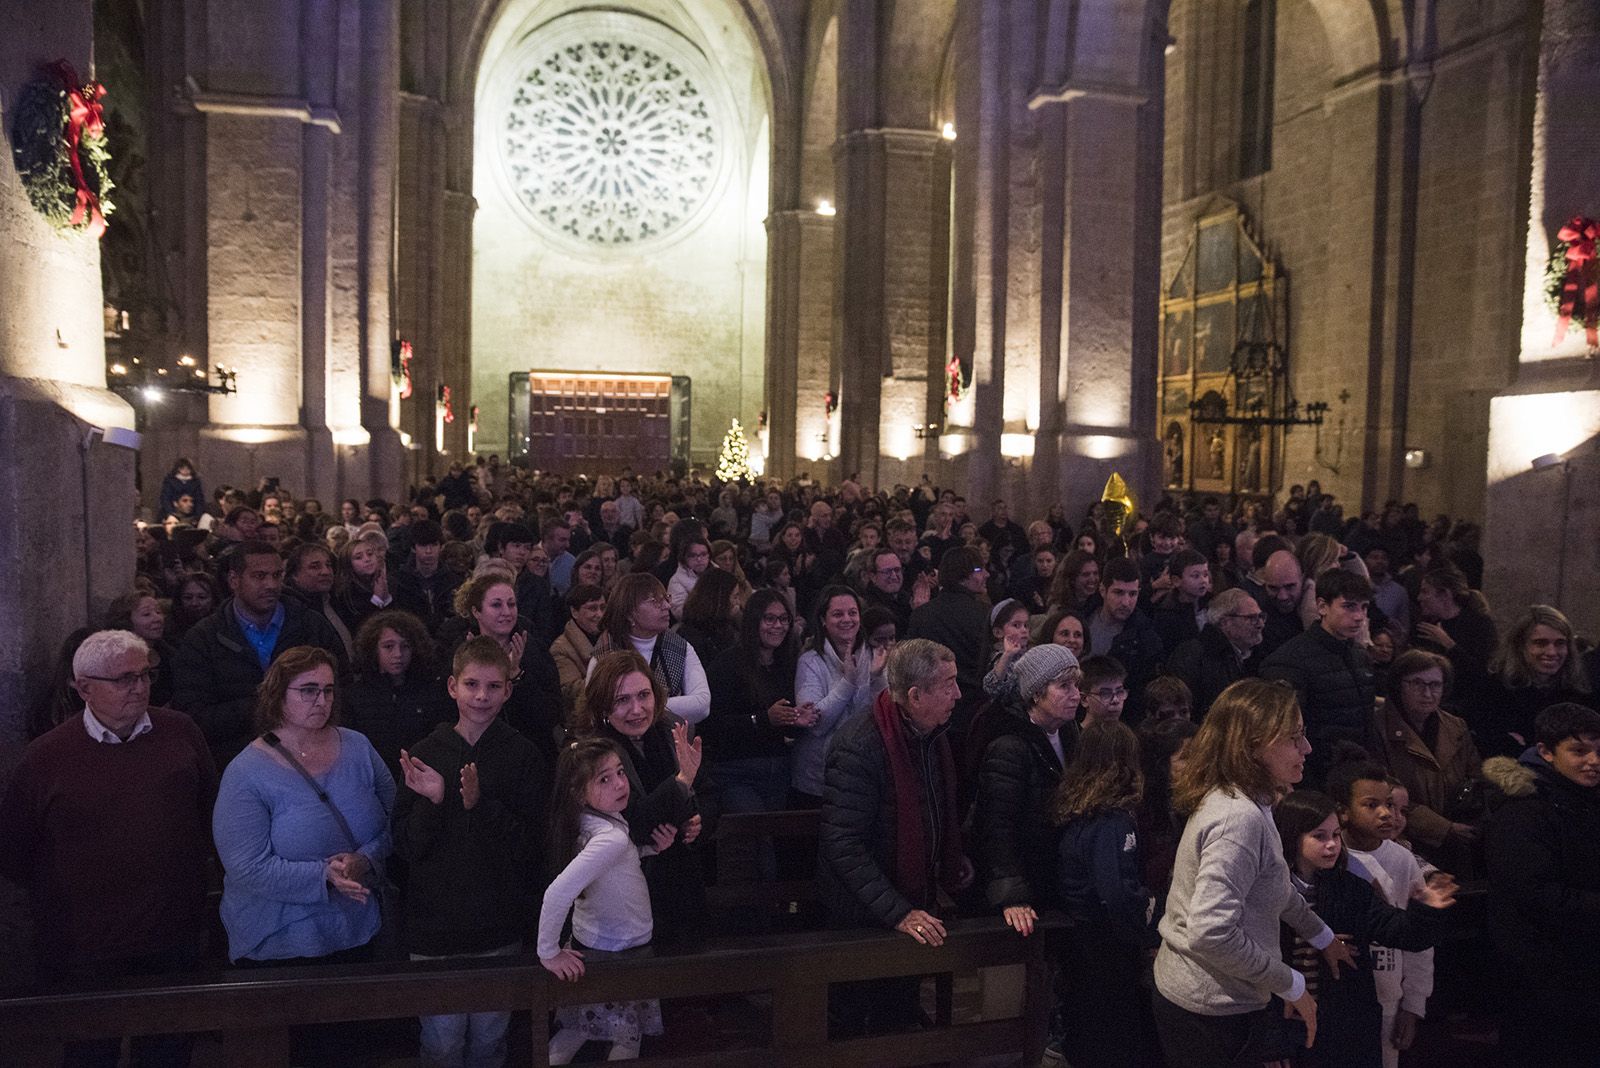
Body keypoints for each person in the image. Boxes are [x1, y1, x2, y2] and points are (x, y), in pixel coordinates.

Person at [0, 630, 217, 1067]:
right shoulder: (46, 757)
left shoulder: (180, 733)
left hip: (169, 930)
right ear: (84, 688)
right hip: (83, 945)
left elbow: (209, 814)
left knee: (168, 1051)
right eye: (123, 679)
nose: (139, 687)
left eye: (144, 675)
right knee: (89, 1053)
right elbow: (15, 852)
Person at [1152, 678, 1349, 1068]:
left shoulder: (1249, 801)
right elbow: (1210, 933)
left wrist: (1322, 935)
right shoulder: (1237, 820)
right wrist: (1290, 984)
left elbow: (1274, 883)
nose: (1307, 749)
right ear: (1254, 746)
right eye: (1294, 738)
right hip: (1207, 1009)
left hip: (1212, 995)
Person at [394, 636, 548, 1068]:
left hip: (497, 925)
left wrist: (480, 806)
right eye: (472, 684)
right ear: (451, 687)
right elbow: (405, 847)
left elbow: (531, 847)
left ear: (508, 690)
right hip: (435, 927)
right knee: (441, 1046)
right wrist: (435, 801)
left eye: (493, 686)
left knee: (488, 1045)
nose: (482, 696)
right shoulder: (426, 752)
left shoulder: (523, 755)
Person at [817, 639, 975, 1036]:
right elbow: (843, 843)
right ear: (915, 695)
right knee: (859, 1023)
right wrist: (897, 912)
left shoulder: (929, 734)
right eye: (949, 684)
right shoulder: (861, 745)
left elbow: (930, 809)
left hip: (910, 893)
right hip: (861, 913)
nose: (958, 694)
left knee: (900, 1013)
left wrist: (949, 856)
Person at [213, 646, 394, 971]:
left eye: (328, 690)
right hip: (282, 939)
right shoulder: (246, 772)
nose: (322, 701)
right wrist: (324, 874)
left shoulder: (358, 746)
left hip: (359, 928)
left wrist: (366, 859)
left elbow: (397, 819)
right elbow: (246, 867)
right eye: (308, 691)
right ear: (278, 695)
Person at [1266, 787, 1453, 1068]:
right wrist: (1271, 1039)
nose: (1332, 844)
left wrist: (1426, 909)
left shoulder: (1350, 890)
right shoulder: (1269, 891)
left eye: (1336, 835)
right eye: (1319, 836)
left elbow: (1403, 932)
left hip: (1346, 1027)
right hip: (1288, 1026)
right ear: (1293, 836)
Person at [538, 737, 673, 1063]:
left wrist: (649, 849)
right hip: (620, 948)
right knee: (625, 1038)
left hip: (596, 939)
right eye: (604, 779)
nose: (620, 783)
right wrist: (548, 952)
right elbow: (556, 893)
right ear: (578, 792)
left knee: (580, 1027)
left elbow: (611, 863)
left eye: (620, 772)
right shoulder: (609, 836)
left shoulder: (590, 821)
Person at [1483, 702, 1600, 1068]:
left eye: (1599, 749)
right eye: (1579, 751)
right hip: (1541, 973)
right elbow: (1533, 892)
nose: (1594, 760)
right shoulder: (1524, 811)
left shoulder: (1583, 800)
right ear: (1546, 752)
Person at [171, 541, 346, 767]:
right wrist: (266, 705)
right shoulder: (204, 639)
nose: (271, 584)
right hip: (236, 762)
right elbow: (194, 714)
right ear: (234, 580)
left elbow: (342, 687)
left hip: (310, 759)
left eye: (276, 575)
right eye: (259, 576)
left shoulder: (311, 627)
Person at [576, 652, 706, 948]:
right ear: (602, 704)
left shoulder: (671, 729)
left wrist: (697, 823)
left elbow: (709, 792)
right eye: (622, 700)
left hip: (682, 880)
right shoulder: (592, 752)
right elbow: (634, 820)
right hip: (629, 888)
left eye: (643, 695)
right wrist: (682, 783)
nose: (637, 709)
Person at [1053, 720, 1161, 1068]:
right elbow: (1116, 894)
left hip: (1084, 944)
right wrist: (1153, 920)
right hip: (1103, 948)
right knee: (1113, 1042)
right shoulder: (1111, 822)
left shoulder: (1082, 813)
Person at [1334, 765, 1443, 1068]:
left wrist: (1413, 1004)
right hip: (1341, 995)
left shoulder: (1402, 859)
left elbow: (1418, 939)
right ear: (1343, 812)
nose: (1386, 814)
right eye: (1372, 805)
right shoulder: (1331, 855)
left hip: (1387, 995)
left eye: (1391, 805)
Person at [973, 644, 1081, 935]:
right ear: (1036, 693)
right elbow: (996, 827)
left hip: (1056, 878)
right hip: (1029, 882)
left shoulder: (1070, 733)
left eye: (1076, 685)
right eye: (1064, 686)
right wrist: (1012, 894)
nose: (1076, 694)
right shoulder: (1009, 746)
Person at [1368, 650, 1481, 873]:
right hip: (1405, 835)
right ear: (1399, 685)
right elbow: (1385, 793)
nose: (1427, 693)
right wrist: (1442, 827)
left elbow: (1475, 775)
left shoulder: (1455, 726)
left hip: (1458, 832)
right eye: (1417, 684)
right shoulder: (1379, 729)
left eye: (1435, 685)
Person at [1260, 570, 1376, 784]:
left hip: (1356, 775)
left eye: (1364, 607)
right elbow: (1283, 733)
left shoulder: (1360, 656)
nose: (1359, 616)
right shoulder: (1291, 660)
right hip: (1316, 777)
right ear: (1322, 606)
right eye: (1349, 606)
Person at [442, 573, 563, 764]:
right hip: (476, 756)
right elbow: (446, 711)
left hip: (530, 756)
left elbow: (551, 713)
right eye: (497, 605)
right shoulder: (460, 651)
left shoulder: (532, 648)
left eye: (511, 604)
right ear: (476, 611)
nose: (507, 612)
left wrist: (516, 676)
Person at [791, 586, 887, 807]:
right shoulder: (810, 661)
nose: (847, 619)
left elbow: (883, 715)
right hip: (818, 777)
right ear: (824, 620)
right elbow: (815, 724)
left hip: (863, 772)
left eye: (852, 613)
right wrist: (848, 683)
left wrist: (876, 678)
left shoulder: (874, 656)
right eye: (838, 614)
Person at [1464, 604, 1593, 756]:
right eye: (1540, 643)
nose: (1552, 652)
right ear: (1520, 646)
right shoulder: (1493, 689)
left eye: (1560, 643)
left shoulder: (1580, 692)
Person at [342, 610, 449, 784]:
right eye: (388, 646)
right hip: (373, 782)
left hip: (421, 780)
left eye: (405, 646)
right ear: (374, 648)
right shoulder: (355, 696)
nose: (398, 654)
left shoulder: (432, 692)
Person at [594, 573, 711, 727]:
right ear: (629, 613)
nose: (667, 606)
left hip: (671, 742)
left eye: (666, 598)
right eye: (655, 601)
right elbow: (598, 709)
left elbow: (702, 705)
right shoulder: (605, 652)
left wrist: (636, 707)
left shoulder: (680, 646)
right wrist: (676, 706)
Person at [907, 546, 992, 735]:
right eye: (979, 570)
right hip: (976, 712)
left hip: (931, 711)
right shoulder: (985, 615)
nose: (986, 574)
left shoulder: (922, 614)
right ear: (960, 575)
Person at [1083, 558, 1165, 720]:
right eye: (1118, 592)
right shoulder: (1080, 620)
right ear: (1103, 590)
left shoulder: (1146, 638)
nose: (1126, 602)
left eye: (1133, 594)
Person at [1165, 587, 1264, 718]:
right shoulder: (1193, 656)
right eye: (1251, 618)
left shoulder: (1256, 654)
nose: (1260, 624)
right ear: (1225, 622)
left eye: (1261, 616)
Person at [394, 518, 465, 635]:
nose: (429, 551)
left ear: (441, 546)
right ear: (413, 548)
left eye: (434, 545)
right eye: (423, 545)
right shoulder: (400, 581)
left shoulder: (454, 581)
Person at [551, 583, 605, 722]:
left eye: (603, 608)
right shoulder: (560, 649)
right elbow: (570, 691)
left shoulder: (612, 638)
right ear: (574, 612)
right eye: (592, 608)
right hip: (582, 720)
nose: (599, 614)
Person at [675, 564, 743, 663]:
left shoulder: (727, 627)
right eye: (735, 597)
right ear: (720, 599)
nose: (738, 602)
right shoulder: (693, 636)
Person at [1150, 548, 1212, 654]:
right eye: (1195, 576)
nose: (1203, 581)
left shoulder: (1211, 603)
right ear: (1176, 580)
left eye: (1205, 575)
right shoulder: (1167, 614)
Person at [981, 598, 1032, 701]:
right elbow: (991, 688)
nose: (1024, 630)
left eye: (1026, 625)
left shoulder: (1028, 654)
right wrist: (1007, 655)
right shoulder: (999, 658)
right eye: (1016, 625)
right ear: (998, 632)